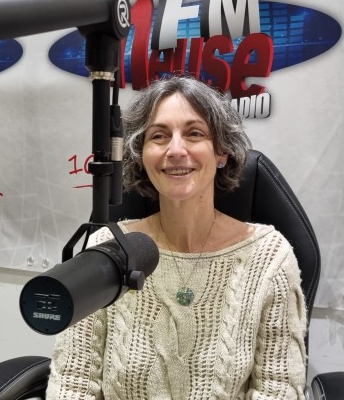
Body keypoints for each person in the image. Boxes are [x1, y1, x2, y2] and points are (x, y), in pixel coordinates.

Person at [46, 76, 308, 399]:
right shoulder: (107, 250)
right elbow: (72, 383)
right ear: (141, 154)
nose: (175, 150)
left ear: (222, 152)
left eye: (194, 133)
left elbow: (278, 390)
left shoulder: (269, 259)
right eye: (159, 136)